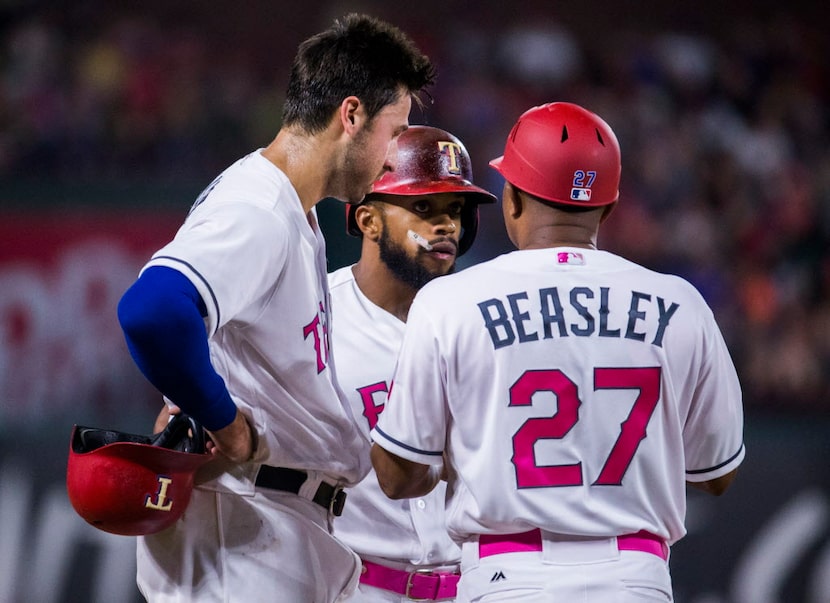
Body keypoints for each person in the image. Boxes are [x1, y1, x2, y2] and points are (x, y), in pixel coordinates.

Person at [369, 102, 745, 602]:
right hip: (635, 576)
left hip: (508, 577)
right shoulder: (681, 303)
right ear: (608, 208)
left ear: (513, 200)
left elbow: (398, 475)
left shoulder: (450, 299)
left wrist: (469, 452)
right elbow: (716, 473)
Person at [116, 13, 435, 603]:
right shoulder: (260, 208)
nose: (396, 155)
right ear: (352, 114)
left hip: (268, 526)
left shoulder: (291, 209)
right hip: (245, 527)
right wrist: (226, 424)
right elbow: (153, 310)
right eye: (397, 129)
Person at [329, 125, 495, 602]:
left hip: (471, 587)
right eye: (423, 207)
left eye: (456, 211)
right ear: (368, 221)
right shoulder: (314, 316)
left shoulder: (479, 321)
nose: (446, 226)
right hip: (356, 586)